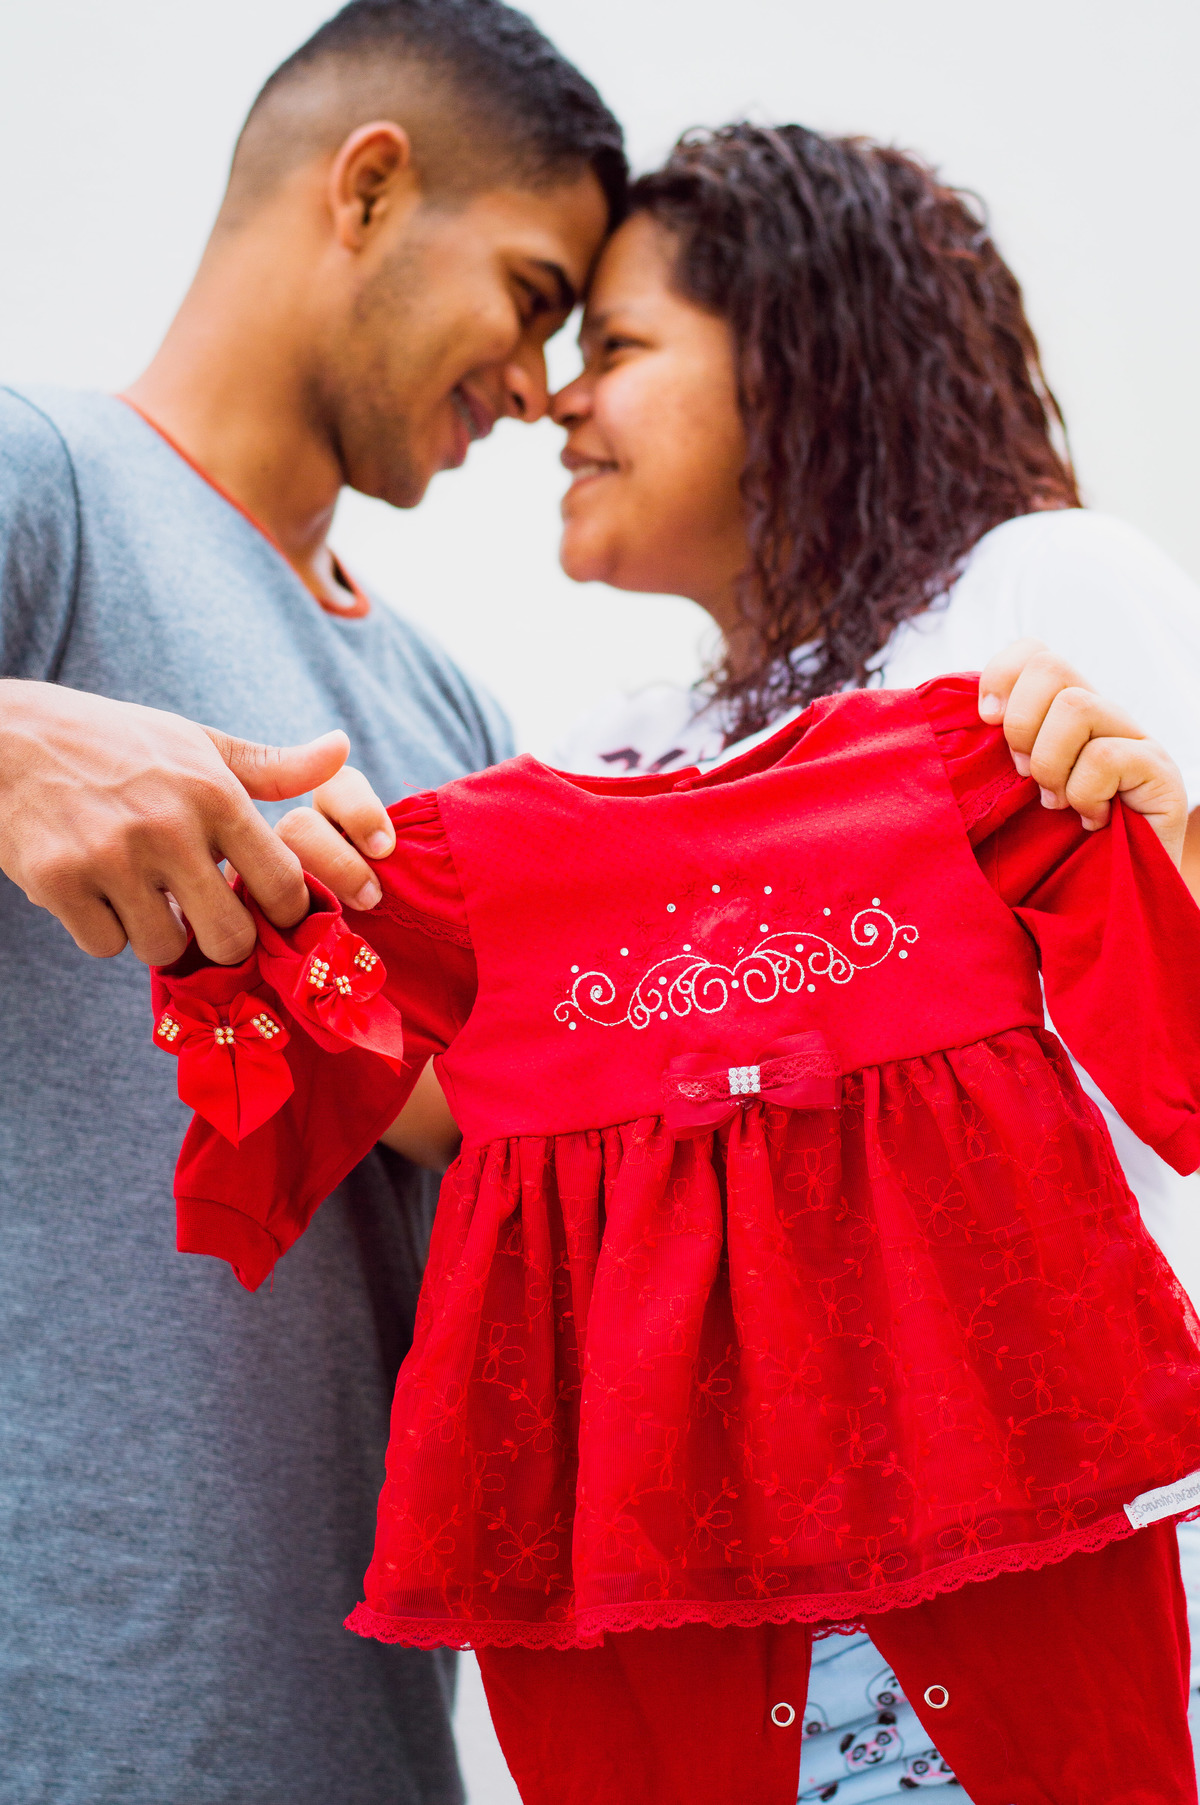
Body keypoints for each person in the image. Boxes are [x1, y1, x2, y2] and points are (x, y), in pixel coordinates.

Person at [294, 123, 1200, 1799]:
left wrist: (1166, 837)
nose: (559, 402)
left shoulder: (1033, 602)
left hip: (1040, 1575)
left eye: (618, 346)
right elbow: (481, 1109)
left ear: (796, 358)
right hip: (710, 1627)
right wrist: (283, 914)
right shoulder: (615, 755)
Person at [154, 652, 1200, 1805]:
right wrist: (273, 927)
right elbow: (288, 1070)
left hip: (1003, 1455)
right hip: (642, 1507)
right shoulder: (451, 874)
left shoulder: (960, 767)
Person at [0, 3, 625, 1800]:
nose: (538, 385)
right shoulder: (47, 484)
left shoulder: (457, 715)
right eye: (529, 296)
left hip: (359, 1735)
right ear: (368, 188)